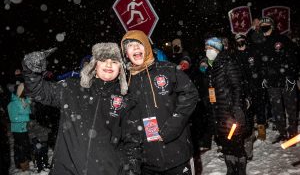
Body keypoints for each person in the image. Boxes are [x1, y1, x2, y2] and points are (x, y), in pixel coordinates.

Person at [22, 43, 138, 175]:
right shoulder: (71, 88)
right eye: (103, 60)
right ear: (94, 65)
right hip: (65, 170)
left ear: (121, 69)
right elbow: (38, 90)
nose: (109, 64)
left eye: (115, 61)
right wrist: (30, 70)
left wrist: (131, 169)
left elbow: (132, 141)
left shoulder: (126, 100)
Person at [120, 30, 199, 175]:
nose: (136, 48)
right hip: (147, 162)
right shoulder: (125, 83)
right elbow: (129, 122)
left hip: (177, 154)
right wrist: (133, 158)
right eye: (130, 45)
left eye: (139, 43)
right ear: (126, 53)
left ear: (147, 47)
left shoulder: (167, 69)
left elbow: (191, 93)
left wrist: (174, 124)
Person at [203, 37, 248, 174]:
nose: (207, 51)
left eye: (210, 48)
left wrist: (236, 108)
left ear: (217, 49)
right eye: (206, 48)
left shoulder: (227, 62)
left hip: (230, 112)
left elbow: (237, 87)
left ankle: (240, 170)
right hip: (219, 112)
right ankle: (231, 168)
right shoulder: (212, 66)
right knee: (226, 143)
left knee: (236, 144)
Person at [259, 16, 299, 143]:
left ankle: (292, 132)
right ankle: (282, 132)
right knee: (276, 108)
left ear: (272, 26)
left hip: (287, 79)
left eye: (265, 25)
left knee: (291, 106)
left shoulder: (283, 39)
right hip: (272, 82)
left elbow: (294, 58)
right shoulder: (262, 42)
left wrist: (291, 76)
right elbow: (262, 63)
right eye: (261, 26)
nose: (263, 27)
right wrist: (264, 77)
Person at [7, 82, 32, 172]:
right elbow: (14, 118)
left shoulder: (23, 100)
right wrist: (27, 117)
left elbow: (28, 111)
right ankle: (23, 166)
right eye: (24, 91)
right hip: (17, 130)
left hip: (24, 128)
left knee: (24, 147)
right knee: (20, 148)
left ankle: (23, 163)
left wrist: (28, 103)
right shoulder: (12, 103)